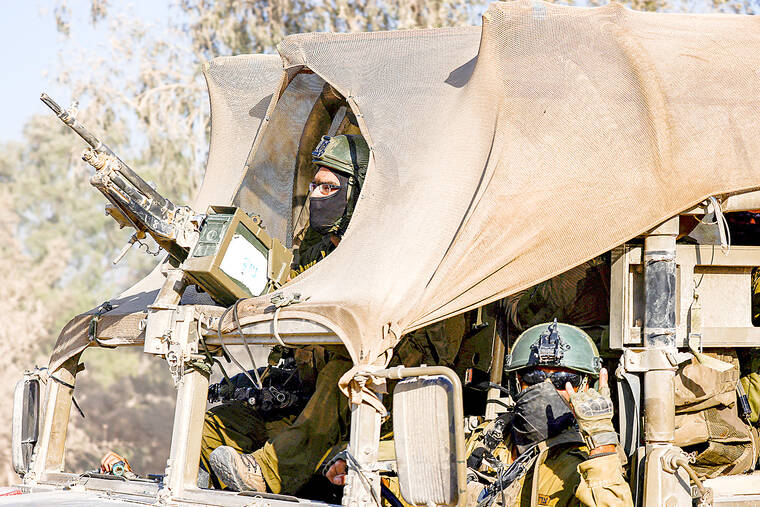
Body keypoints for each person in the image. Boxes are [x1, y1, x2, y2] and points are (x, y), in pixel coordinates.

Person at [462, 321, 633, 507]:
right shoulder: (487, 437)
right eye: (534, 377)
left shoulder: (594, 459)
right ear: (516, 382)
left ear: (585, 386)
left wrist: (601, 442)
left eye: (564, 379)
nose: (547, 387)